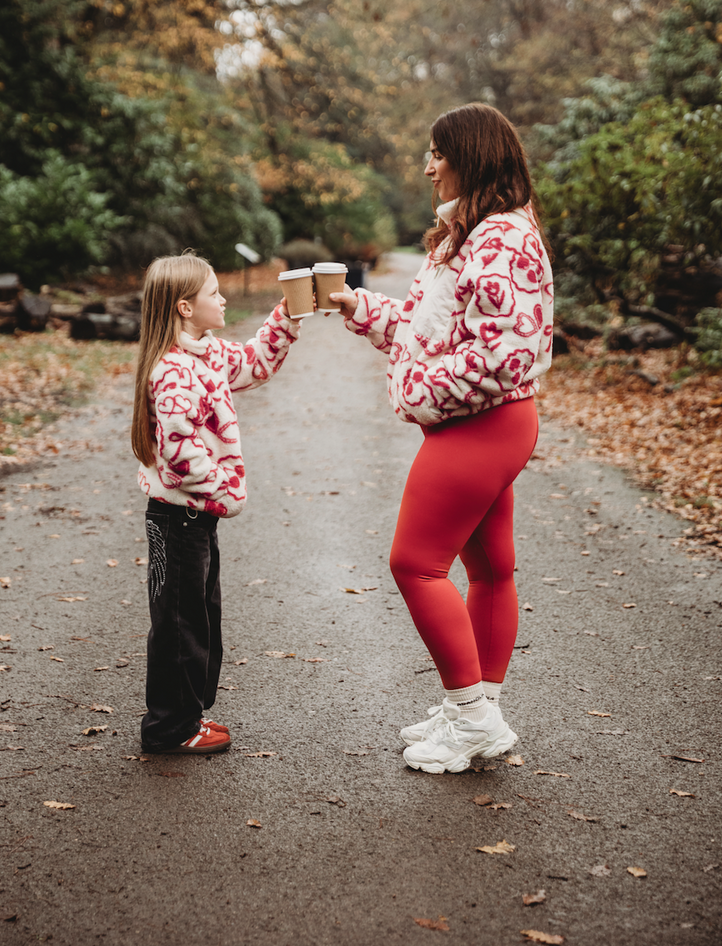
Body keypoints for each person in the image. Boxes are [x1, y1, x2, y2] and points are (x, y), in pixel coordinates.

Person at [329, 103, 553, 775]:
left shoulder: (502, 239)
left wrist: (419, 389)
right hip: (480, 420)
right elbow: (430, 332)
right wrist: (355, 304)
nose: (427, 165)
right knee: (489, 569)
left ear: (472, 156)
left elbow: (500, 357)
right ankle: (472, 706)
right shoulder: (470, 235)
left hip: (482, 422)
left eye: (437, 152)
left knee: (414, 563)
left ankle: (474, 720)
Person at [131, 254, 301, 755]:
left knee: (198, 615)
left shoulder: (204, 355)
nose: (223, 299)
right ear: (185, 307)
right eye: (214, 292)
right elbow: (181, 457)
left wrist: (288, 314)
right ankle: (170, 728)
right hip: (179, 516)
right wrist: (227, 491)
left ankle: (186, 716)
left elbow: (254, 363)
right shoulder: (175, 372)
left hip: (195, 517)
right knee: (178, 624)